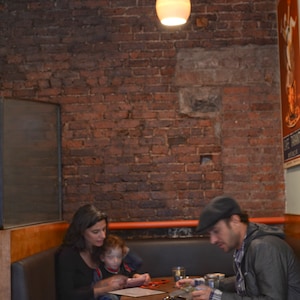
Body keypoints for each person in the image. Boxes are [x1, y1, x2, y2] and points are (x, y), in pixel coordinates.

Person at [176, 195, 300, 300]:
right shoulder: (245, 244)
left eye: (216, 231)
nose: (212, 240)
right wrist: (204, 283)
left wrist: (218, 297)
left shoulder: (264, 246)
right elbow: (246, 280)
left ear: (235, 220)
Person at [55, 204, 140, 300]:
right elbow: (67, 295)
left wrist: (136, 276)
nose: (103, 235)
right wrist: (105, 289)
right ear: (81, 231)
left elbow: (130, 265)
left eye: (104, 229)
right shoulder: (68, 255)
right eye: (96, 232)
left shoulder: (102, 246)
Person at [93, 234, 151, 300]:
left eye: (119, 256)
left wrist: (137, 276)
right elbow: (94, 290)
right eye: (110, 257)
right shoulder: (99, 271)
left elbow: (137, 264)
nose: (116, 261)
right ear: (102, 257)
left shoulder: (123, 266)